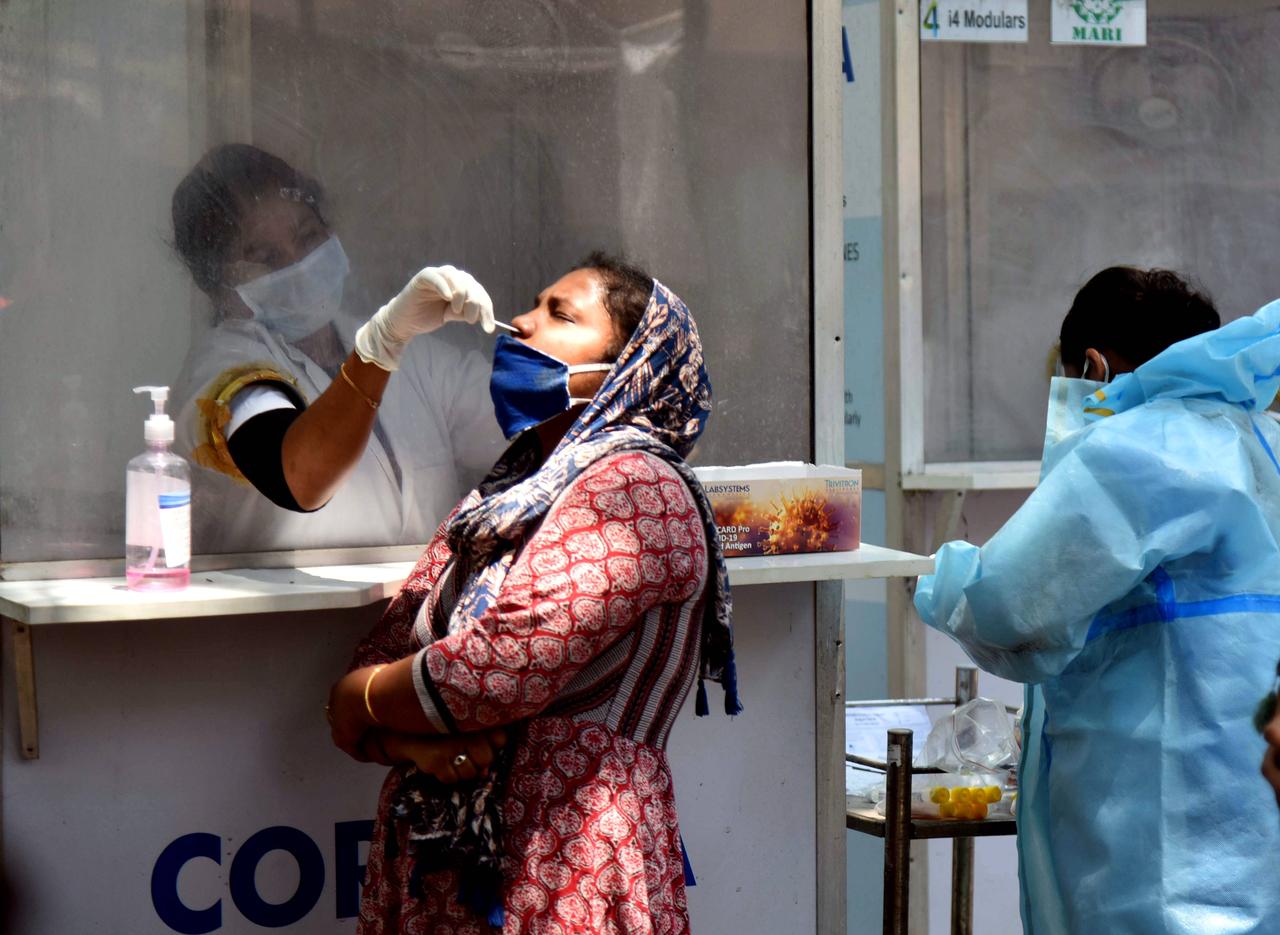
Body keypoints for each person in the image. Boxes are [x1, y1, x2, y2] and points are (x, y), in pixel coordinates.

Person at [323, 254, 740, 934]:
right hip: (447, 865)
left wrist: (361, 701)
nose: (520, 322)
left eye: (560, 314)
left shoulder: (637, 488)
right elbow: (390, 643)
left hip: (561, 863)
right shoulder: (503, 496)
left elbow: (495, 670)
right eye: (533, 303)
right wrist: (420, 746)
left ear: (627, 369)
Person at [917, 266, 1280, 933]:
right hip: (1257, 847)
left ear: (1093, 367)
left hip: (1160, 868)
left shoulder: (1137, 449)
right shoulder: (1265, 444)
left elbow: (1007, 602)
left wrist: (937, 579)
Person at [170, 144, 503, 553]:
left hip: (415, 610)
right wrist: (381, 348)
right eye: (265, 257)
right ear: (215, 283)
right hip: (297, 616)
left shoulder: (412, 356)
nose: (297, 264)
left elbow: (522, 425)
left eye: (307, 236)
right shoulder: (223, 370)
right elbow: (300, 475)